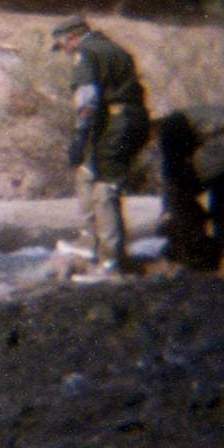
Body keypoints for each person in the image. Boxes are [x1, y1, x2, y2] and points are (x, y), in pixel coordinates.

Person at [51, 16, 150, 274]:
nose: (64, 51)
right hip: (129, 119)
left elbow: (88, 99)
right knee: (87, 173)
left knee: (105, 187)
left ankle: (110, 262)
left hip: (117, 121)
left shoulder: (86, 52)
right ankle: (89, 243)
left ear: (71, 38)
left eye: (62, 45)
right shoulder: (114, 49)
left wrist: (80, 137)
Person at [157, 105, 224, 270]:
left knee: (178, 192)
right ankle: (221, 252)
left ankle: (198, 254)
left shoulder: (170, 127)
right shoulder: (190, 117)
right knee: (223, 200)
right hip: (218, 147)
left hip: (220, 148)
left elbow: (173, 172)